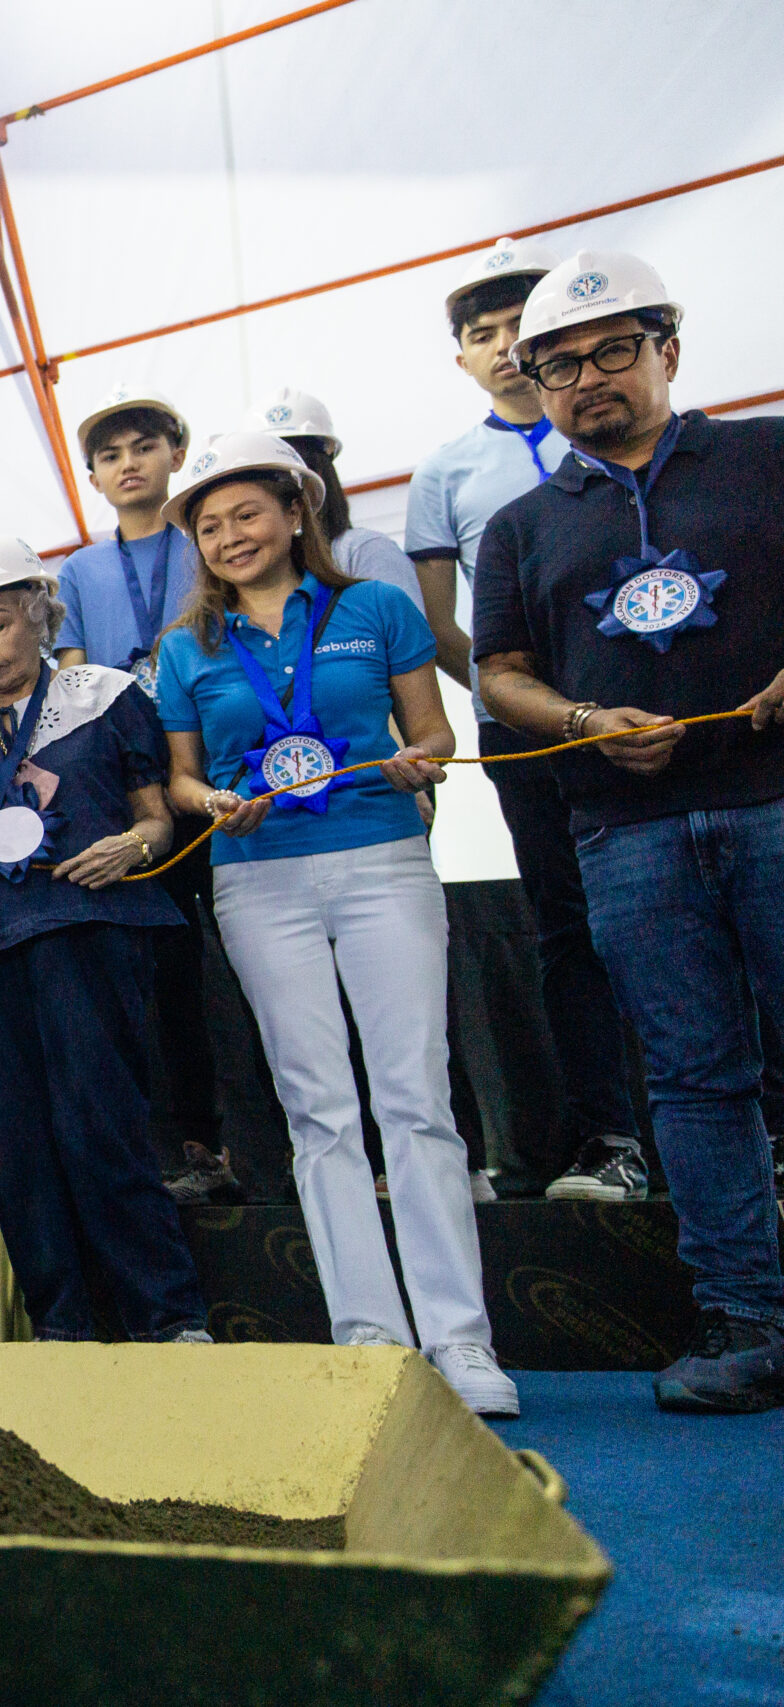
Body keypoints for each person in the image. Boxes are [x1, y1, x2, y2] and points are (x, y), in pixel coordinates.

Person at [476, 250, 784, 1413]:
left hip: (775, 799)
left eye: (612, 350)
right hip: (624, 831)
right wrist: (584, 720)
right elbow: (499, 673)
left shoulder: (766, 453)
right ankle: (745, 1319)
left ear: (668, 348)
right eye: (559, 365)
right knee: (695, 1081)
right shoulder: (517, 525)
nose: (587, 378)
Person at [157, 432, 517, 1418]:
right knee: (316, 1110)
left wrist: (421, 759)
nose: (230, 536)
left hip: (380, 861)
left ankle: (460, 1338)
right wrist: (209, 801)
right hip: (256, 880)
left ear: (293, 511)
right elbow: (181, 772)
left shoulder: (375, 606)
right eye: (209, 523)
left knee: (414, 1097)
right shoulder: (187, 645)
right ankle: (368, 1339)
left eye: (247, 514)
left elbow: (434, 728)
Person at [0, 535, 208, 1343]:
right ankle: (61, 1321)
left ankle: (168, 1315)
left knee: (100, 1120)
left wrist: (136, 843)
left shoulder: (104, 695)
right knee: (14, 1145)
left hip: (89, 927)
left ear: (40, 614)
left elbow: (159, 812)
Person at [407, 238, 644, 1202]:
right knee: (565, 926)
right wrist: (529, 700)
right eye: (482, 335)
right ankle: (607, 1133)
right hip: (528, 730)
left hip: (656, 710)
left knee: (685, 915)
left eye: (519, 329)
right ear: (460, 356)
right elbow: (438, 624)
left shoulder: (626, 437)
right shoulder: (446, 472)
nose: (504, 347)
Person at [51, 382, 242, 1207]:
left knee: (246, 966)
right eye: (109, 455)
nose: (127, 465)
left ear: (176, 455)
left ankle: (279, 1141)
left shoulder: (213, 549)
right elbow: (72, 681)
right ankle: (192, 1146)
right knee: (160, 978)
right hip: (136, 794)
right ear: (92, 476)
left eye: (143, 448)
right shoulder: (80, 570)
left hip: (224, 774)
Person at [243, 388, 422, 610]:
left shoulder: (362, 552)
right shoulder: (243, 569)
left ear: (321, 474)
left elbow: (409, 640)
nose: (284, 489)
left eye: (297, 469)